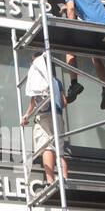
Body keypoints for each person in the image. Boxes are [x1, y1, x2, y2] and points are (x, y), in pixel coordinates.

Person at [58, 0, 105, 109]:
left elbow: (71, 8)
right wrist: (66, 8)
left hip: (93, 28)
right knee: (96, 58)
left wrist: (71, 26)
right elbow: (89, 7)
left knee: (70, 50)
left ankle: (74, 83)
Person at [19, 46, 68, 185]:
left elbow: (34, 101)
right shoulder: (56, 80)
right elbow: (64, 102)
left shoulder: (39, 78)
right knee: (59, 149)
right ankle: (64, 177)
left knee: (46, 147)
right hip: (57, 115)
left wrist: (26, 116)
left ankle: (50, 180)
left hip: (45, 116)